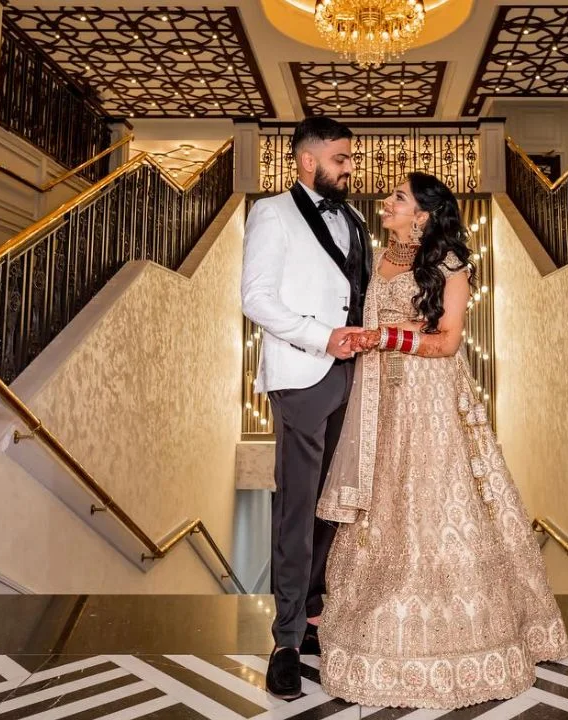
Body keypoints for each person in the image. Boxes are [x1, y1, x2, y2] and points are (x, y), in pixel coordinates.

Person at [315, 172, 568, 709]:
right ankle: (372, 620)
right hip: (381, 396)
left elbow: (449, 341)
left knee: (434, 499)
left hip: (429, 396)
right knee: (385, 497)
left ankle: (462, 635)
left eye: (399, 198)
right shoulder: (377, 256)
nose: (387, 201)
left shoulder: (450, 263)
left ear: (423, 215)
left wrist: (384, 337)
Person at [240, 116, 372, 700]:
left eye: (349, 158)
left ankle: (315, 616)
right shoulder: (271, 213)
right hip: (303, 377)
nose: (349, 167)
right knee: (296, 510)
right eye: (341, 158)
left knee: (334, 506)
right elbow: (256, 300)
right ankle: (286, 640)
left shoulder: (357, 220)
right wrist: (323, 338)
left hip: (355, 378)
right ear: (306, 160)